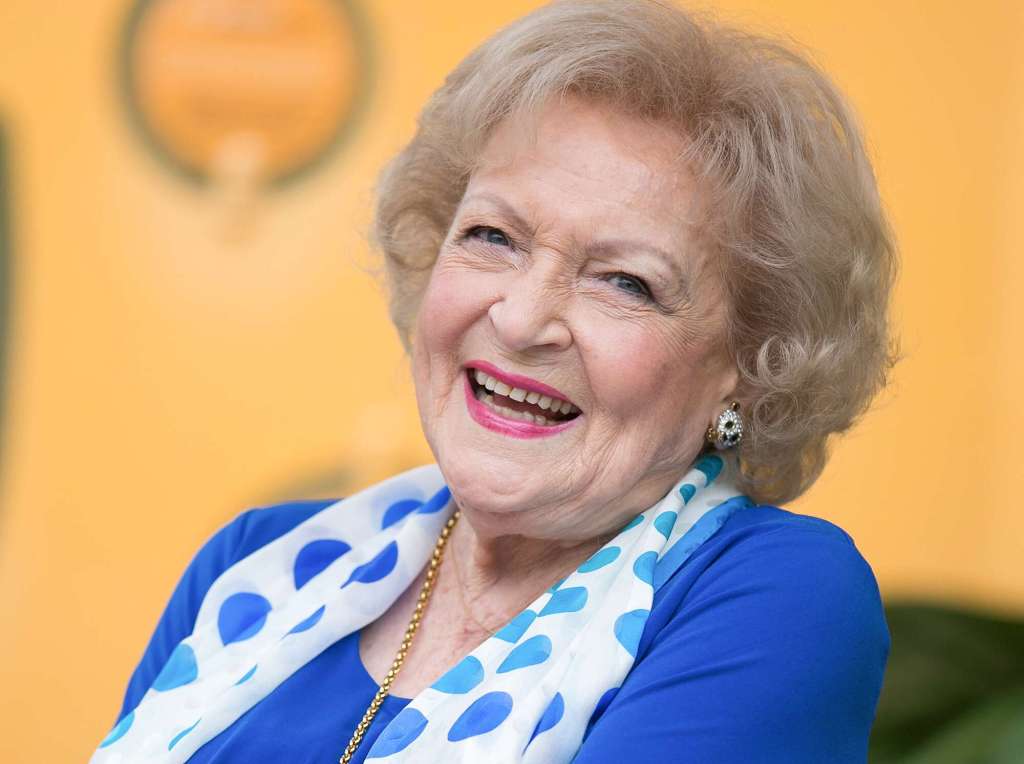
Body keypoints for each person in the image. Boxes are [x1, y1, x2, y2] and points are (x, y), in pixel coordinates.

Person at [91, 1, 897, 761]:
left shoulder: (771, 596)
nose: (520, 319)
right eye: (493, 236)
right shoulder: (259, 568)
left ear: (748, 366)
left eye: (625, 282)